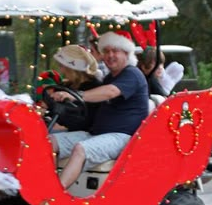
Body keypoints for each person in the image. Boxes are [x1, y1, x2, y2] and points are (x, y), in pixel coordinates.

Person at [50, 30, 149, 190]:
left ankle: (55, 194)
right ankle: (40, 183)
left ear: (126, 53)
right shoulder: (110, 77)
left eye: (115, 51)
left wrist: (77, 96)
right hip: (97, 134)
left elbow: (111, 91)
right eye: (106, 51)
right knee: (48, 142)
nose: (110, 55)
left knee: (81, 149)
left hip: (122, 137)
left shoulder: (132, 74)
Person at [49, 44, 103, 131]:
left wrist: (64, 127)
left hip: (82, 132)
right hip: (59, 127)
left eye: (62, 66)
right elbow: (55, 111)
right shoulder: (64, 86)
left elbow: (90, 120)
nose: (61, 70)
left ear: (72, 69)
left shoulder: (94, 88)